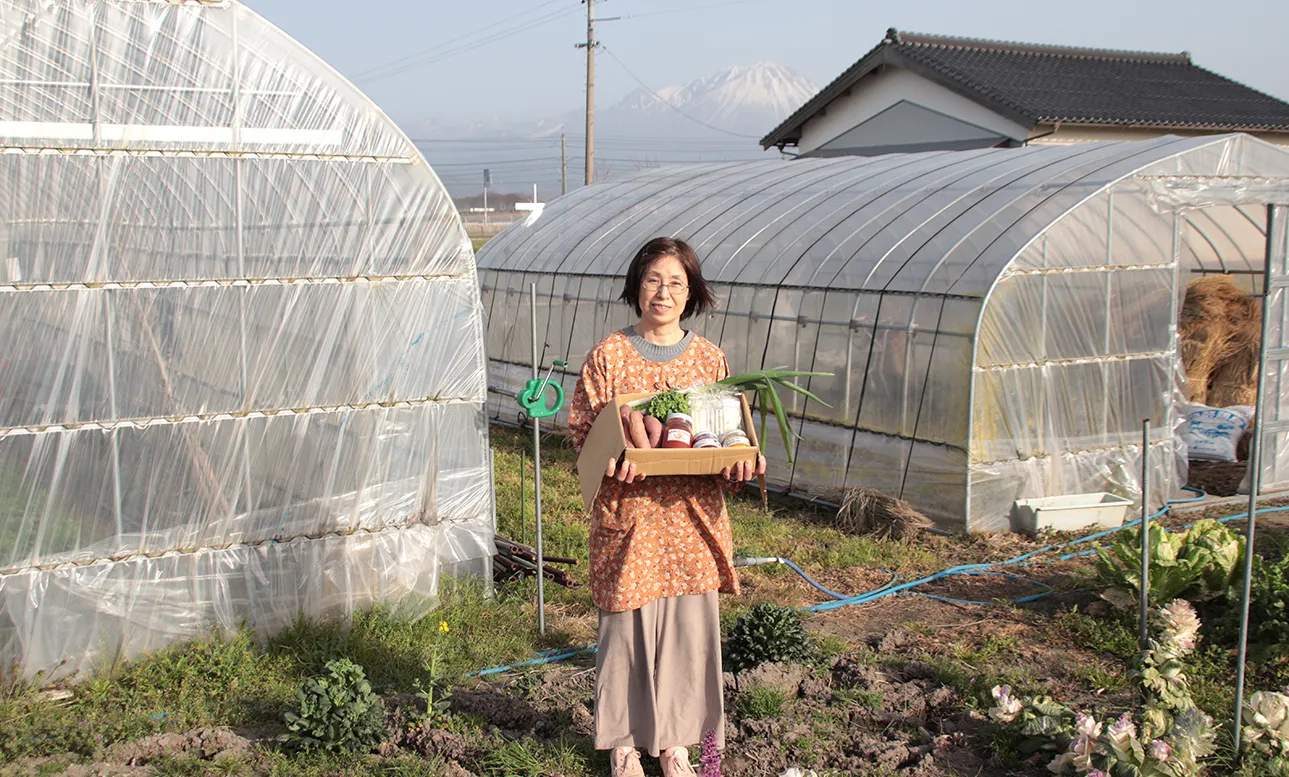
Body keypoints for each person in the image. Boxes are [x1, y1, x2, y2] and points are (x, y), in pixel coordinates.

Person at [567, 236, 766, 777]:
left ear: (691, 293)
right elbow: (583, 434)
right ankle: (625, 745)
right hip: (629, 516)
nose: (664, 292)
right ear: (637, 286)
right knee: (626, 628)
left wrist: (739, 464)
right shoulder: (608, 355)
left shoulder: (709, 358)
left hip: (690, 517)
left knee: (688, 629)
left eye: (676, 282)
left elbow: (723, 434)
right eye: (654, 279)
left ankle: (680, 743)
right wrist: (612, 458)